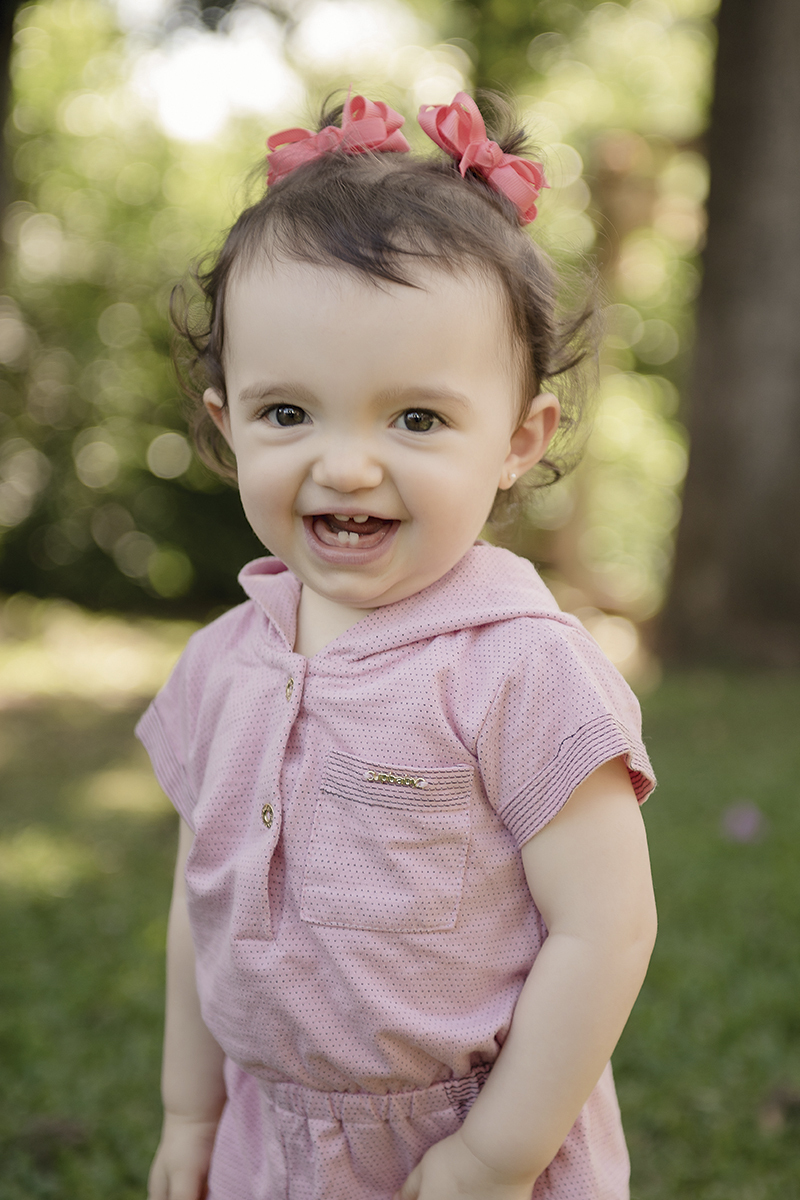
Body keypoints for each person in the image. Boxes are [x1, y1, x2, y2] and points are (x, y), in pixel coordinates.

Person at [136, 90, 658, 1200]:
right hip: (268, 1141)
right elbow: (202, 897)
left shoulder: (518, 668)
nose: (346, 466)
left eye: (414, 419)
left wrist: (495, 1153)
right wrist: (192, 1110)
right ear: (227, 424)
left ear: (518, 441)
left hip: (459, 1138)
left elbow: (604, 929)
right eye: (290, 414)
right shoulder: (221, 666)